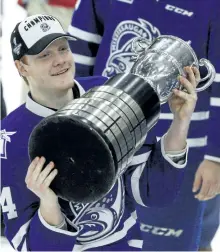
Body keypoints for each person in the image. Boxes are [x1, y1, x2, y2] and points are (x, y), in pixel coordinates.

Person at [0, 14, 200, 251]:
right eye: (45, 55)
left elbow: (155, 191)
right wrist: (48, 203)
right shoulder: (9, 138)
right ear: (21, 66)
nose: (60, 60)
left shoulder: (108, 91)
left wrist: (180, 121)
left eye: (63, 49)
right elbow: (29, 245)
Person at [68, 0, 220, 251]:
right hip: (106, 138)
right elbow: (78, 55)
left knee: (181, 243)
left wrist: (216, 157)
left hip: (184, 152)